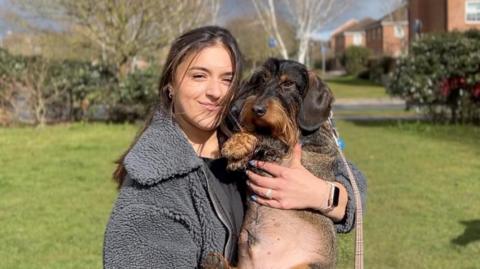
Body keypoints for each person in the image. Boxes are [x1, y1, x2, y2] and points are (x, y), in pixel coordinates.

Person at [103, 26, 366, 268]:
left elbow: (354, 181)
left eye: (227, 79)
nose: (215, 92)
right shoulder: (150, 192)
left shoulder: (245, 134)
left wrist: (323, 195)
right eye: (199, 76)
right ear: (170, 85)